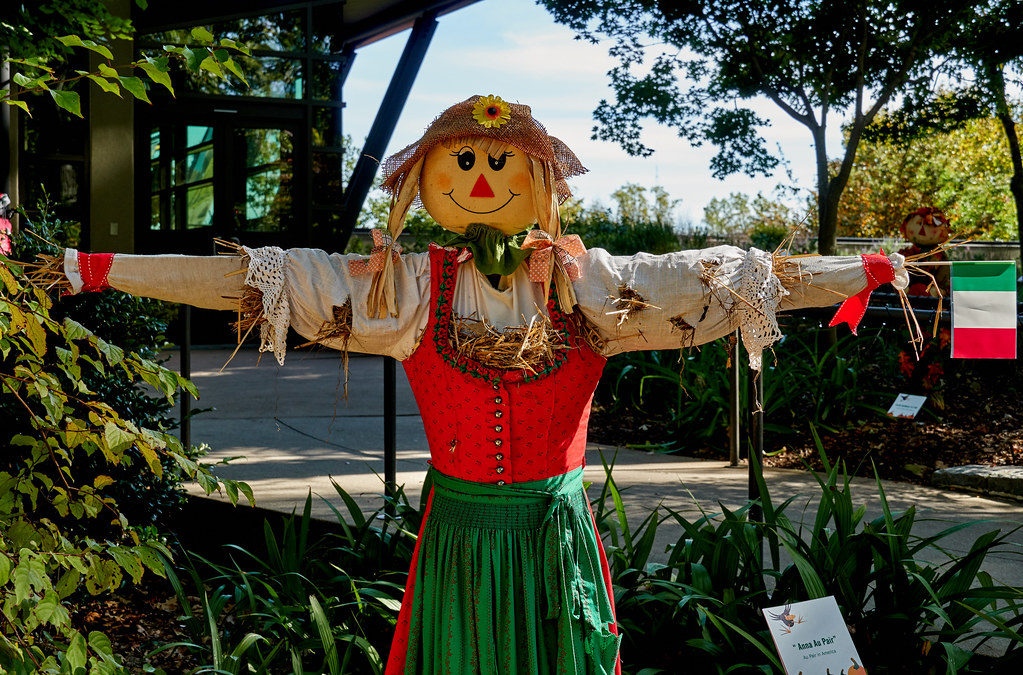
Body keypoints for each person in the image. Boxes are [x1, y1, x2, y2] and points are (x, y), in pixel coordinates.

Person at [53, 95, 904, 675]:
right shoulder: (407, 289)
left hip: (551, 533)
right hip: (460, 537)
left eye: (502, 164)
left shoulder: (590, 285)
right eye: (462, 162)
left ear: (540, 181)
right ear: (428, 179)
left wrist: (855, 271)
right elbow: (267, 281)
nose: (484, 181)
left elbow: (722, 278)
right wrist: (102, 269)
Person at [896, 207, 952, 297]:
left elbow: (943, 273)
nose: (922, 229)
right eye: (919, 224)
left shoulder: (939, 255)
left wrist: (939, 288)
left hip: (931, 290)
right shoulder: (907, 253)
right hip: (909, 288)